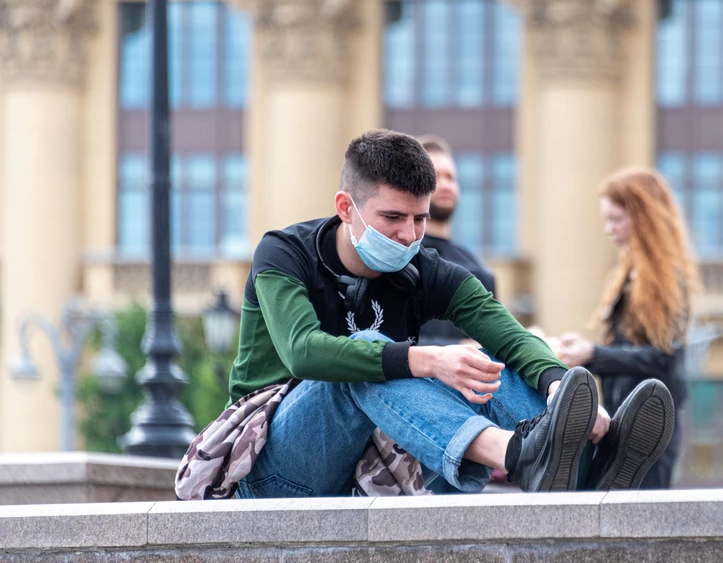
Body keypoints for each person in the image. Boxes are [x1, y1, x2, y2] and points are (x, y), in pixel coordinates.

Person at [229, 130, 673, 498]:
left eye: (419, 219)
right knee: (367, 351)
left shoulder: (425, 270)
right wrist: (428, 361)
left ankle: (588, 468)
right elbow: (304, 353)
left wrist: (557, 386)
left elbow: (510, 335)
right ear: (347, 208)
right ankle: (517, 456)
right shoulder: (284, 254)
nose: (408, 235)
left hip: (371, 471)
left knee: (489, 360)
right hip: (272, 469)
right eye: (393, 217)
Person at [553, 167, 696, 490]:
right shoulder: (634, 273)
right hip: (630, 419)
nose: (608, 229)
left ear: (643, 217)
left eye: (616, 219)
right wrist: (590, 352)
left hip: (651, 427)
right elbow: (634, 349)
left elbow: (664, 357)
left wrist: (593, 354)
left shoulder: (665, 278)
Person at [415, 135, 496, 347]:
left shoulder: (477, 266)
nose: (445, 185)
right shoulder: (399, 257)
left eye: (450, 177)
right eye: (435, 177)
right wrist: (459, 349)